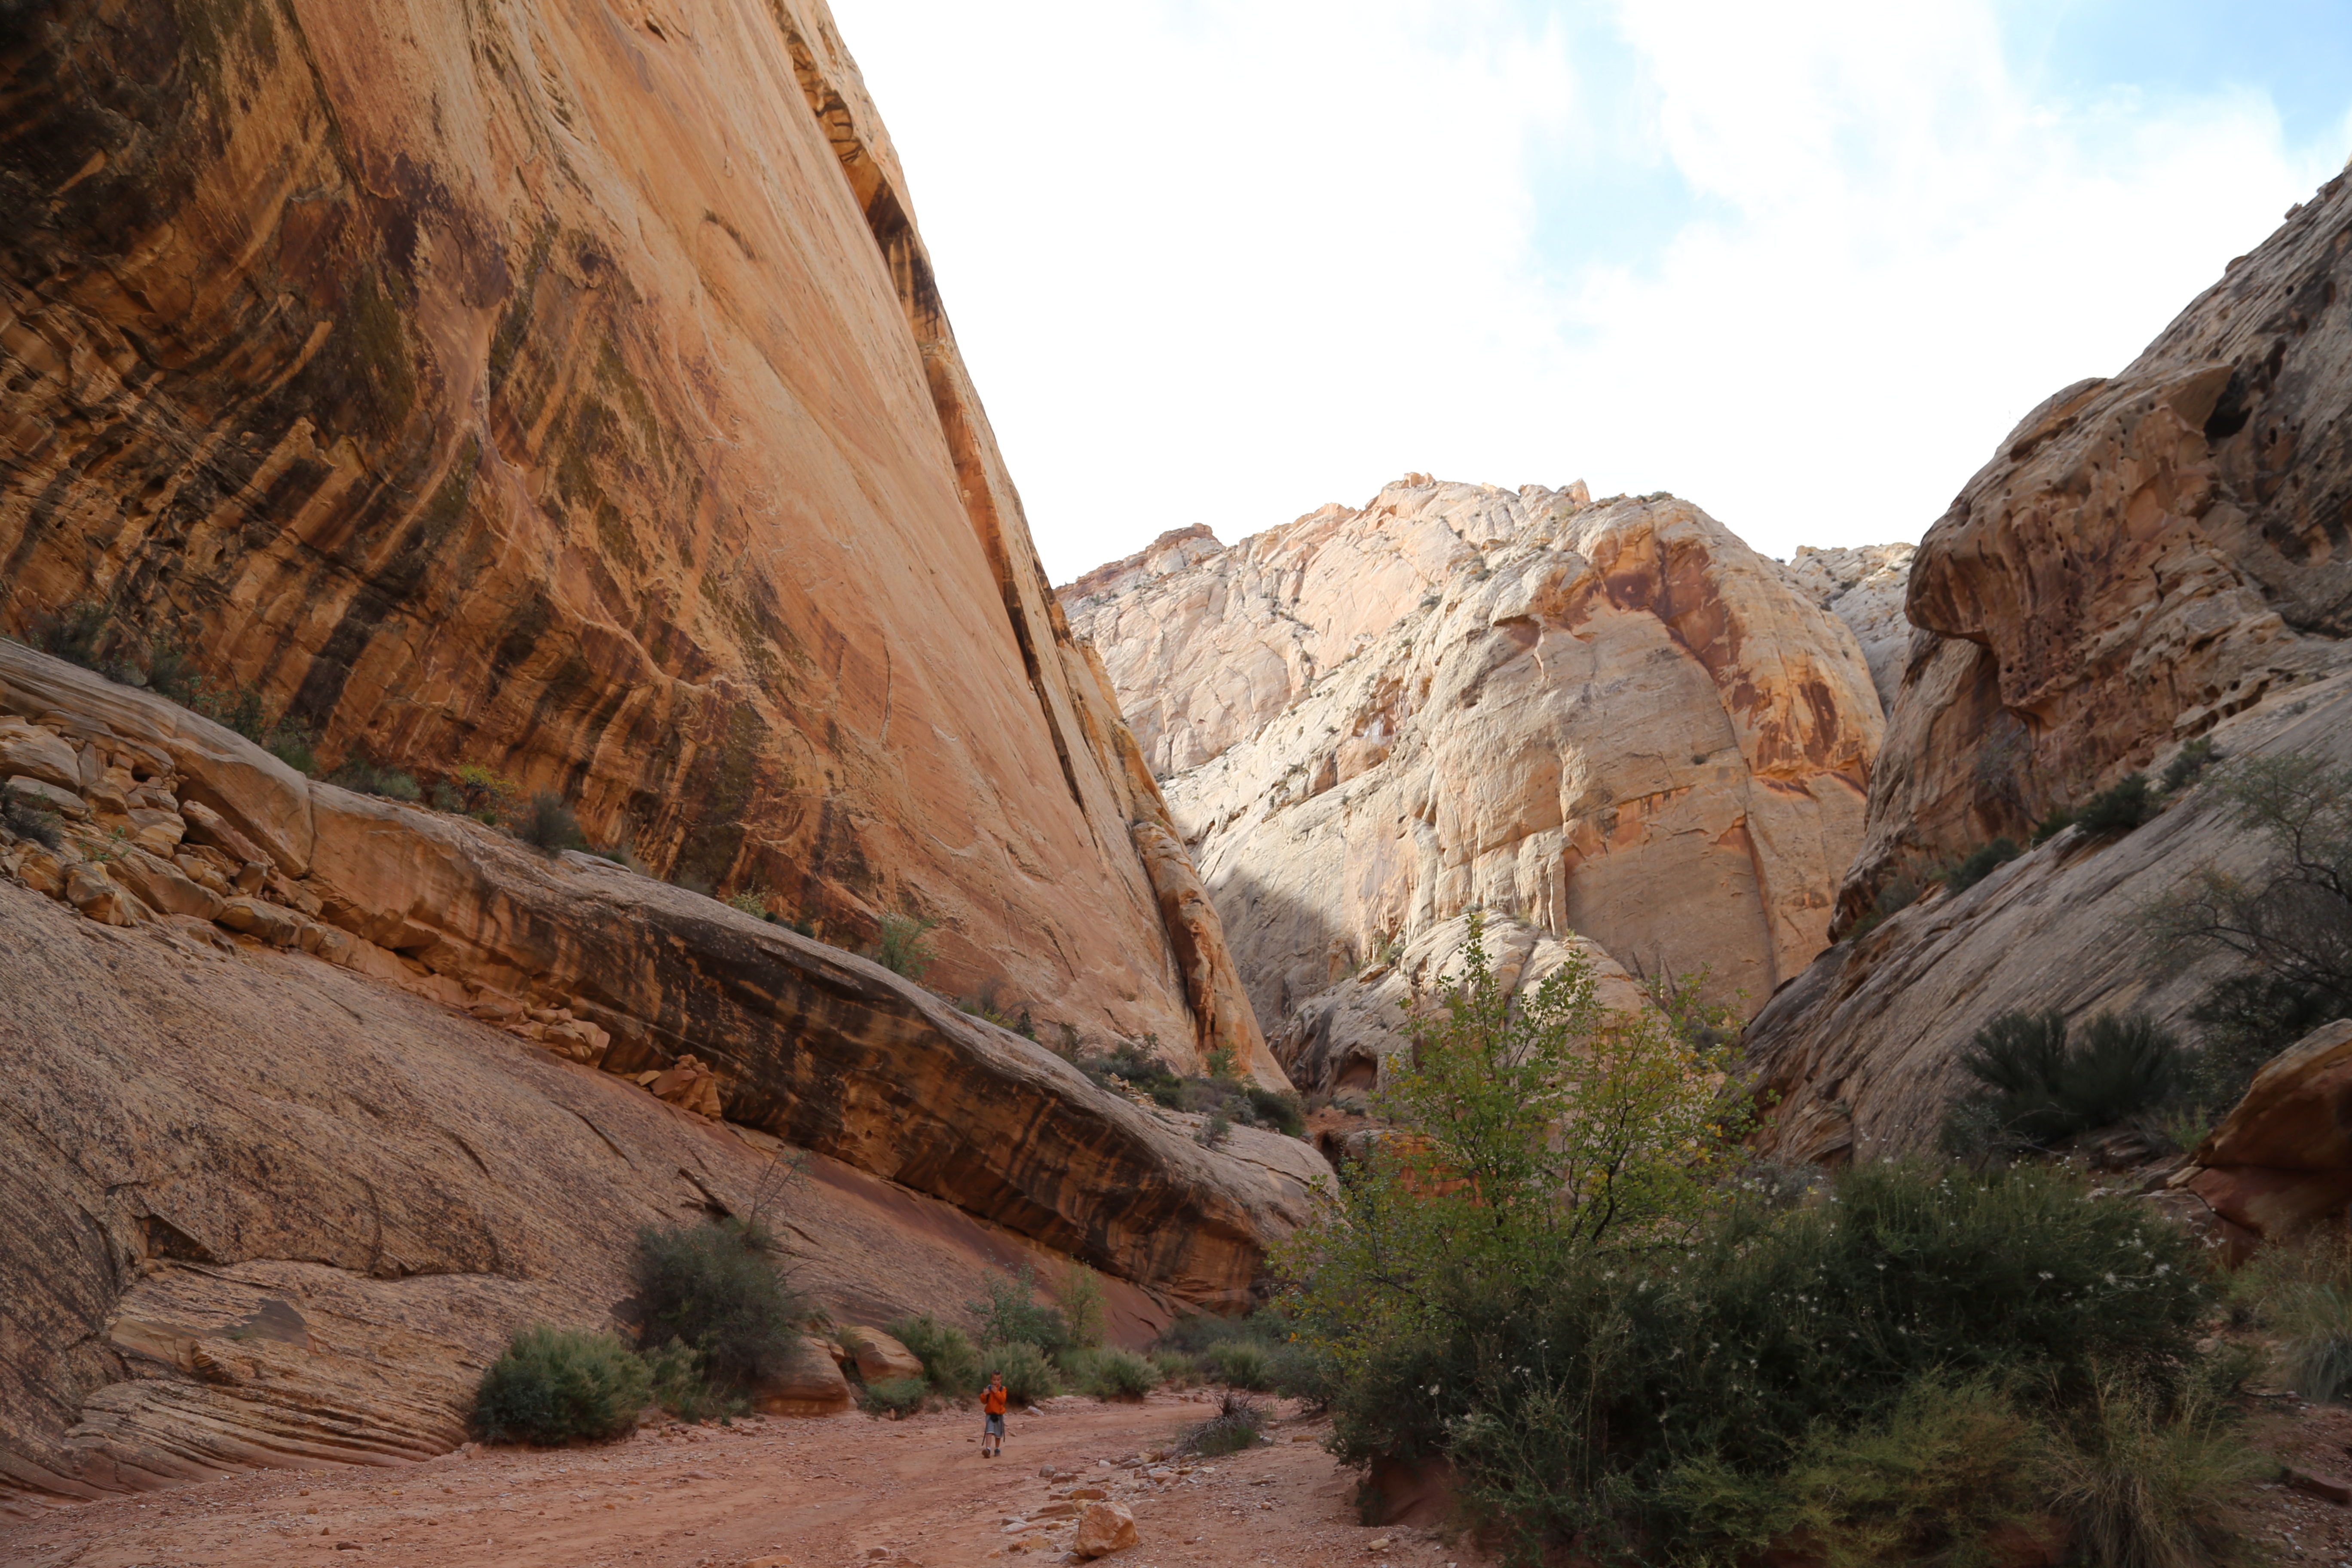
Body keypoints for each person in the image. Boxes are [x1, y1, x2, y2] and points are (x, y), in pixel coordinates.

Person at [980, 1372, 1008, 1458]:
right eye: (994, 1380)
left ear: (1001, 1380)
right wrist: (984, 1395)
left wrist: (996, 1393)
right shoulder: (988, 1388)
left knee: (998, 1433)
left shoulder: (1002, 1389)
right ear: (991, 1380)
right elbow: (984, 1402)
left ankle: (997, 1448)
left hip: (999, 1415)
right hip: (990, 1414)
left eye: (998, 1380)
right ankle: (988, 1449)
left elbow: (1002, 1401)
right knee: (989, 1431)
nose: (996, 1382)